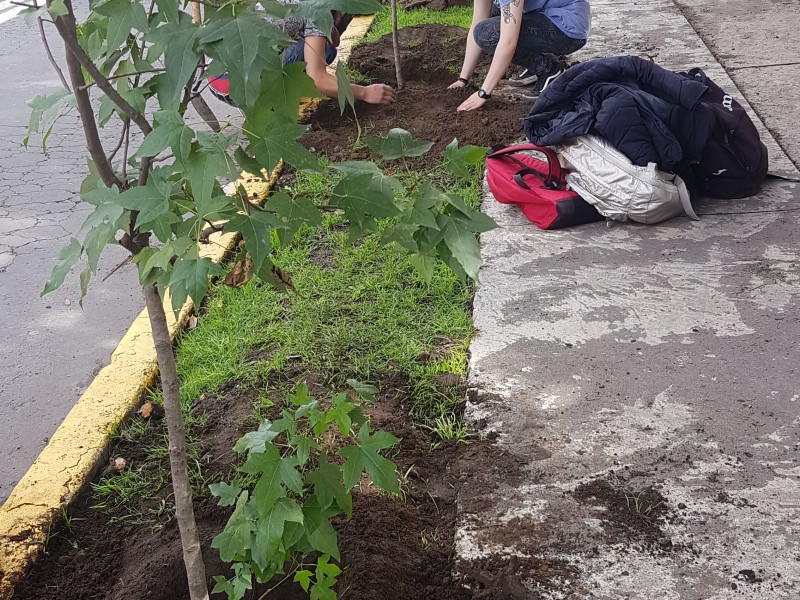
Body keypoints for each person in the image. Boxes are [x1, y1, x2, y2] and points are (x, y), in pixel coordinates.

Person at [209, 8, 396, 106]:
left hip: (219, 70)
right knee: (319, 55)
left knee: (326, 50)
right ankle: (271, 107)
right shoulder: (318, 9)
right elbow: (318, 78)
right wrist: (364, 93)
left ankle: (280, 92)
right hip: (230, 83)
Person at [449, 0, 591, 111]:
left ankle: (548, 69)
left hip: (568, 30)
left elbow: (508, 42)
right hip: (546, 16)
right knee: (491, 17)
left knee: (487, 33)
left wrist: (483, 93)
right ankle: (535, 64)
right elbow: (476, 23)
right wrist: (463, 79)